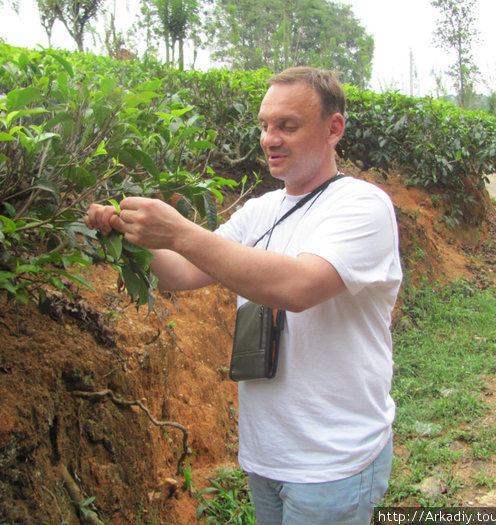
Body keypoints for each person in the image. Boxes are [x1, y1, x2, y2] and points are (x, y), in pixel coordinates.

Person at [85, 66, 403, 525]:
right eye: (264, 125)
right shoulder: (262, 211)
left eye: (287, 126)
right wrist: (122, 234)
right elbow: (181, 270)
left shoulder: (362, 205)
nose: (269, 138)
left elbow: (298, 286)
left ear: (334, 128)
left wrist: (180, 231)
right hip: (267, 454)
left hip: (334, 460)